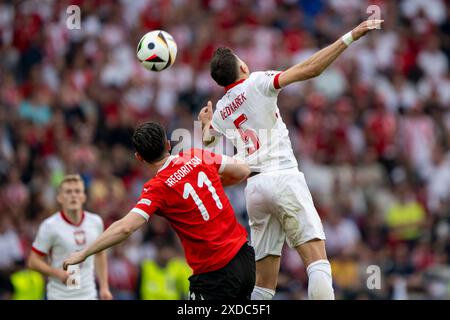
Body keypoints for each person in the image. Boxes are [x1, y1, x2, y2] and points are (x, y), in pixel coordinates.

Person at [198, 19, 384, 300]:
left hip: (256, 189)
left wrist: (204, 124)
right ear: (243, 68)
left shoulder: (222, 110)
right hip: (283, 176)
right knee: (317, 262)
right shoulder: (258, 82)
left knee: (263, 283)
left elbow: (209, 140)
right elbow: (311, 69)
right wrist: (351, 36)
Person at [63, 121, 255, 300]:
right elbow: (243, 171)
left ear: (139, 157)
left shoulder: (157, 187)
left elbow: (125, 228)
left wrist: (84, 253)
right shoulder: (196, 155)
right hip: (245, 259)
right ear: (168, 144)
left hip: (215, 274)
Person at [27, 174, 113, 300]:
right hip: (59, 296)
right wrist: (57, 273)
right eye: (68, 192)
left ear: (83, 197)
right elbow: (33, 261)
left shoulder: (95, 222)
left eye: (77, 191)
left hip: (89, 295)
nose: (73, 195)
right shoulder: (49, 226)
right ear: (60, 198)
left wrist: (104, 288)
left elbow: (100, 254)